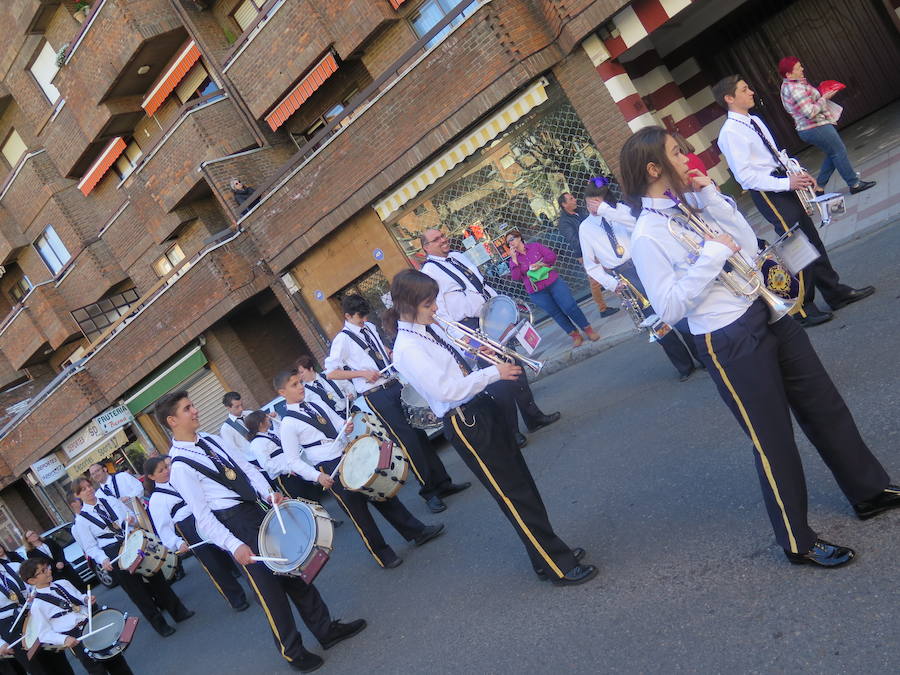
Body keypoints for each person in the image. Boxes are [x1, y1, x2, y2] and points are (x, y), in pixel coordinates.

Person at [622, 125, 900, 567]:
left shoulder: (691, 204)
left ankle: (867, 490)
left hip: (764, 310)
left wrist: (712, 198)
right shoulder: (646, 236)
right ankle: (797, 541)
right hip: (727, 338)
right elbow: (670, 307)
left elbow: (748, 245)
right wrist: (712, 256)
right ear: (654, 168)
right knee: (773, 440)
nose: (687, 157)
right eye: (677, 153)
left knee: (824, 405)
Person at [388, 269, 597, 585]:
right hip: (464, 419)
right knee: (513, 494)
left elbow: (460, 363)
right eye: (429, 303)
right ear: (409, 304)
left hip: (480, 406)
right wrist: (493, 373)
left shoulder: (427, 329)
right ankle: (558, 565)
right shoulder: (407, 347)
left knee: (523, 485)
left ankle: (545, 555)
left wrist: (484, 353)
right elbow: (447, 390)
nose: (436, 309)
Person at [158, 391, 366, 672]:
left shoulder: (210, 439)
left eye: (193, 405)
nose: (195, 410)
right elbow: (203, 519)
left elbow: (246, 469)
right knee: (271, 592)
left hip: (255, 509)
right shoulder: (180, 467)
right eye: (187, 409)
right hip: (235, 524)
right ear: (172, 420)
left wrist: (268, 494)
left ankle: (326, 630)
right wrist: (234, 545)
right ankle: (293, 652)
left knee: (294, 571)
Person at [714, 75, 874, 327]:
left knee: (812, 240)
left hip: (783, 182)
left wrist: (796, 173)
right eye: (745, 89)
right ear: (729, 98)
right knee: (797, 247)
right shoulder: (730, 133)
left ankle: (835, 293)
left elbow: (775, 155)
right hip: (769, 191)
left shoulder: (753, 120)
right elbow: (746, 177)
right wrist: (784, 184)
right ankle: (802, 308)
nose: (751, 92)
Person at [276, 369, 444, 569]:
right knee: (359, 513)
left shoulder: (315, 403)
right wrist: (317, 476)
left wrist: (345, 427)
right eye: (294, 385)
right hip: (328, 467)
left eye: (299, 382)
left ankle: (417, 532)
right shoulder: (287, 424)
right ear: (282, 393)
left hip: (347, 453)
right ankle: (383, 554)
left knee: (381, 492)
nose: (300, 387)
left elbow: (337, 422)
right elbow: (293, 461)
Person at [325, 294, 470, 514]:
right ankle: (429, 492)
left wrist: (389, 353)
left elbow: (378, 348)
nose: (363, 320)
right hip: (376, 393)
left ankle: (443, 482)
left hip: (394, 383)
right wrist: (362, 373)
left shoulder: (370, 327)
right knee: (407, 441)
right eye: (359, 318)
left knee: (419, 432)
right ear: (347, 316)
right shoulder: (341, 340)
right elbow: (331, 372)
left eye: (365, 316)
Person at [419, 229, 561, 445]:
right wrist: (466, 340)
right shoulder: (429, 273)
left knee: (515, 367)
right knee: (498, 381)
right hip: (469, 327)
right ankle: (511, 433)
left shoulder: (457, 256)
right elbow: (440, 313)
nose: (443, 240)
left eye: (442, 236)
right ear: (426, 248)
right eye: (436, 240)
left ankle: (533, 417)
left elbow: (481, 286)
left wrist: (504, 309)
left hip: (490, 318)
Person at [579, 178, 701, 381]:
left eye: (596, 201)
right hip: (624, 276)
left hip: (644, 262)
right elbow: (591, 265)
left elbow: (636, 223)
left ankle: (700, 356)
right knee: (655, 321)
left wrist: (606, 211)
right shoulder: (585, 227)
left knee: (675, 309)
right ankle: (683, 365)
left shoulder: (620, 210)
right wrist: (611, 283)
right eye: (589, 202)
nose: (592, 206)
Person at [70, 477, 193, 636]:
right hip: (113, 551)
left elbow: (132, 518)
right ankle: (161, 626)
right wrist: (103, 560)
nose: (89, 489)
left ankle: (179, 612)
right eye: (84, 489)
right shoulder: (81, 521)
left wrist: (131, 520)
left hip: (132, 541)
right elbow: (90, 547)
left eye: (89, 486)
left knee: (156, 576)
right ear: (78, 495)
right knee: (137, 591)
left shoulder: (109, 499)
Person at [144, 456, 249, 612]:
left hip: (204, 515)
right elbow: (163, 528)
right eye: (161, 471)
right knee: (213, 564)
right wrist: (177, 542)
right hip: (188, 528)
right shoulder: (156, 500)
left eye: (166, 467)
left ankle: (255, 585)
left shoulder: (178, 479)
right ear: (152, 477)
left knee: (231, 549)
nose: (166, 471)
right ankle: (236, 598)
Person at [777, 57, 875, 194]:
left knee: (833, 153)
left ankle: (820, 187)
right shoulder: (795, 89)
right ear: (789, 74)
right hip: (815, 126)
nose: (802, 69)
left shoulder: (789, 85)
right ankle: (854, 184)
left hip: (810, 128)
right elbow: (810, 112)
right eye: (798, 68)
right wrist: (824, 98)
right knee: (839, 151)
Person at [20, 558, 133, 675]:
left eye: (47, 567)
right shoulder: (38, 605)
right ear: (32, 580)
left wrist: (86, 599)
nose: (49, 571)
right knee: (97, 669)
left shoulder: (63, 583)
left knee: (115, 659)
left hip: (91, 624)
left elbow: (78, 597)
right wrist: (64, 639)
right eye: (43, 571)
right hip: (74, 637)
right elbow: (43, 634)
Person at [506, 229, 600, 347]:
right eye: (508, 243)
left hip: (553, 282)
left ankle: (588, 329)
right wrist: (514, 260)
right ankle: (575, 335)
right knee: (555, 313)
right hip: (537, 292)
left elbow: (551, 256)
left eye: (512, 239)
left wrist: (540, 264)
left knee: (570, 306)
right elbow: (516, 277)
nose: (510, 243)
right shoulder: (513, 260)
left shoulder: (535, 246)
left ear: (519, 238)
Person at [556, 192, 619, 318]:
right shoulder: (564, 222)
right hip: (586, 253)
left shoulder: (580, 211)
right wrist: (584, 254)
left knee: (611, 269)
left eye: (573, 197)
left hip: (597, 247)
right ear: (564, 204)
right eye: (571, 199)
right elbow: (573, 240)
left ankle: (621, 293)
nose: (574, 200)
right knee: (595, 280)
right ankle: (602, 309)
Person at [244, 410, 322, 502]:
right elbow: (267, 465)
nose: (268, 418)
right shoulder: (257, 444)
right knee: (303, 500)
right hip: (285, 477)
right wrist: (287, 469)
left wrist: (276, 418)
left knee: (315, 497)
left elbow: (281, 434)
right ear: (260, 424)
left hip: (294, 470)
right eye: (266, 417)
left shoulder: (270, 434)